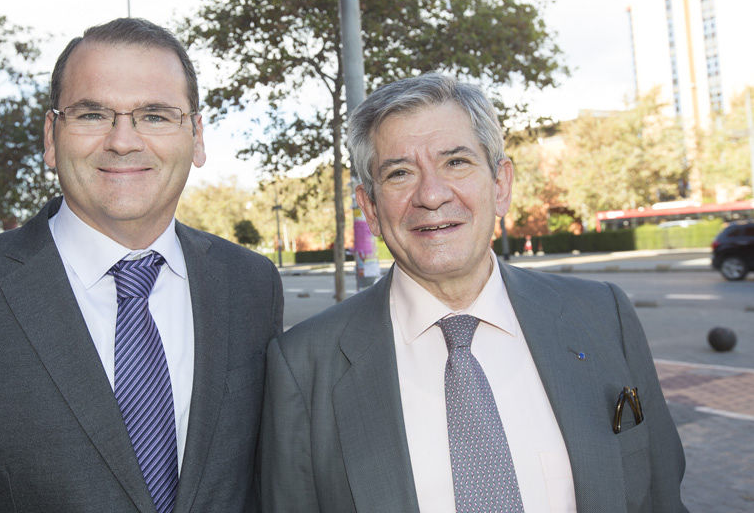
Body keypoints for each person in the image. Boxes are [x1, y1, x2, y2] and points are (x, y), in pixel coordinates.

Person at [0, 18, 284, 512]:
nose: (123, 141)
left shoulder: (251, 285)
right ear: (52, 138)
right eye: (93, 114)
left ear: (197, 136)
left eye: (156, 115)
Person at [258, 73, 686, 513]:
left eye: (456, 162)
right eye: (400, 172)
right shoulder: (305, 366)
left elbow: (662, 497)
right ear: (370, 207)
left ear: (500, 185)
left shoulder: (602, 316)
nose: (431, 194)